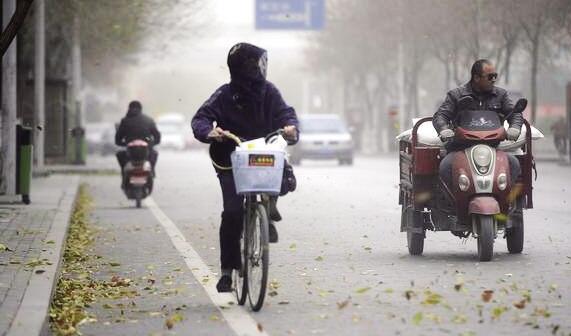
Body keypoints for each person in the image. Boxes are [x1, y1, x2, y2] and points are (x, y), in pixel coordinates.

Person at [191, 42, 299, 293]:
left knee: (282, 174)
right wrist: (210, 132)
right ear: (246, 67)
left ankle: (268, 208)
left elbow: (287, 114)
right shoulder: (224, 95)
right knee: (232, 213)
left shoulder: (269, 92)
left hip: (261, 154)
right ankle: (227, 271)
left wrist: (291, 128)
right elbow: (201, 118)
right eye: (258, 64)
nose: (262, 69)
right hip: (229, 159)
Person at [433, 59, 523, 185]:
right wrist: (444, 129)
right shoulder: (456, 95)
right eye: (490, 76)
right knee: (446, 166)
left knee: (513, 163)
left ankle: (504, 200)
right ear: (476, 77)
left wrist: (515, 127)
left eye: (495, 76)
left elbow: (515, 113)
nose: (494, 79)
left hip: (492, 148)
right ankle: (456, 202)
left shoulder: (501, 95)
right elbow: (440, 115)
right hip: (460, 148)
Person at [115, 100, 161, 187]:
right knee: (154, 154)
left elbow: (118, 139)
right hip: (147, 150)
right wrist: (153, 143)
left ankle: (124, 174)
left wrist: (123, 143)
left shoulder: (125, 121)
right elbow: (157, 135)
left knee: (120, 155)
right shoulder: (148, 120)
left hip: (130, 152)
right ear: (141, 109)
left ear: (129, 109)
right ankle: (152, 171)